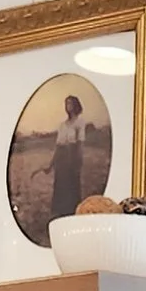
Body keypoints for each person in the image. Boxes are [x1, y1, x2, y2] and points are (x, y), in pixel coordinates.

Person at [50, 90, 89, 224]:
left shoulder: (80, 122)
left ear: (76, 105)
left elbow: (80, 143)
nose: (68, 106)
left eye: (71, 104)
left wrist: (79, 160)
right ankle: (60, 214)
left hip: (72, 156)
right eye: (66, 104)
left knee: (72, 185)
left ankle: (73, 213)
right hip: (61, 158)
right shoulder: (62, 125)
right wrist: (51, 164)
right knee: (60, 185)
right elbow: (58, 146)